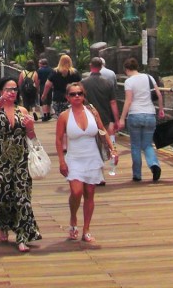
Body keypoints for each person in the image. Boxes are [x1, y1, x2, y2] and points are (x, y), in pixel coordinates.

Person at [55, 81, 116, 242]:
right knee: (76, 192)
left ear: (84, 96)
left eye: (80, 94)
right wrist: (61, 161)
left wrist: (112, 149)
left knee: (90, 193)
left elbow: (102, 130)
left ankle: (86, 229)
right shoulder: (64, 116)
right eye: (73, 94)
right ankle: (73, 218)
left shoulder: (92, 111)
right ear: (67, 97)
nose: (77, 97)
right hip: (74, 158)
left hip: (92, 157)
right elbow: (59, 139)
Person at [0, 77, 42, 252]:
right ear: (1, 91)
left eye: (14, 89)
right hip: (2, 160)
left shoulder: (22, 110)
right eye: (8, 89)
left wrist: (31, 127)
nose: (12, 92)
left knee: (22, 198)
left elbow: (31, 136)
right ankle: (3, 224)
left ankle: (22, 236)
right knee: (4, 196)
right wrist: (2, 99)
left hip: (21, 159)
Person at [118, 57, 164, 183]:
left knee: (135, 146)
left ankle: (137, 174)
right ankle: (154, 164)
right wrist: (161, 109)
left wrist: (122, 118)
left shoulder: (129, 82)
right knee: (147, 144)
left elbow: (128, 101)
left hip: (135, 115)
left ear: (126, 69)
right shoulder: (149, 77)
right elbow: (159, 94)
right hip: (149, 114)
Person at [82, 57, 119, 183]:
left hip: (89, 118)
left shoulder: (84, 82)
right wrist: (116, 119)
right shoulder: (107, 82)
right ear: (101, 66)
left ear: (90, 66)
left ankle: (99, 174)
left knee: (93, 146)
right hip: (105, 117)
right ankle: (102, 170)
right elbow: (113, 102)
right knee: (103, 145)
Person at [42, 54, 80, 119]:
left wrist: (44, 95)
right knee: (71, 117)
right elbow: (79, 85)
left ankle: (61, 127)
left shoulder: (54, 72)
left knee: (60, 117)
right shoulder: (74, 72)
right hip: (71, 98)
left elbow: (48, 85)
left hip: (58, 99)